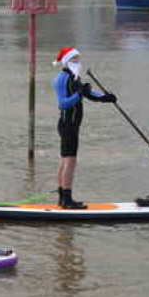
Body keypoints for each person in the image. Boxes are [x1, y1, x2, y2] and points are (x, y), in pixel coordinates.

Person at [52, 46, 116, 209]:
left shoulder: (74, 77)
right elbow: (63, 103)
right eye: (75, 58)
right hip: (68, 124)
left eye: (79, 58)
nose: (78, 61)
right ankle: (67, 199)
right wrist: (79, 94)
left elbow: (88, 93)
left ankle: (62, 199)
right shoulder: (62, 79)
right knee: (70, 161)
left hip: (72, 124)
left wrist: (104, 97)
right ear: (66, 61)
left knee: (65, 160)